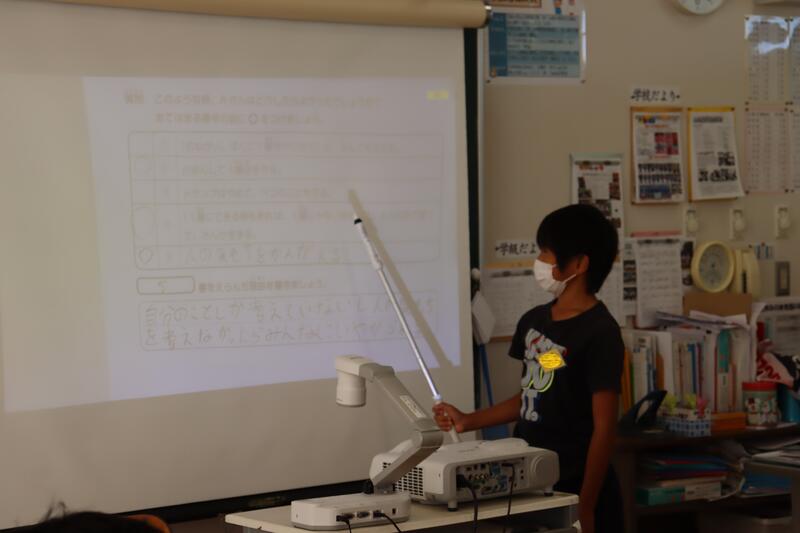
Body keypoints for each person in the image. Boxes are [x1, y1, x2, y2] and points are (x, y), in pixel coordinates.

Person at [434, 204, 624, 533]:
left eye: (546, 253)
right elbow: (534, 392)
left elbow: (604, 427)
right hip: (530, 482)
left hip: (577, 484)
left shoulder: (600, 332)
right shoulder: (534, 322)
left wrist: (586, 504)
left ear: (579, 264)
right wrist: (468, 420)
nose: (540, 261)